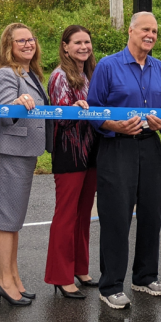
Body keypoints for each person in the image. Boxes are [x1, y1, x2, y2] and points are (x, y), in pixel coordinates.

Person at [87, 12, 161, 310]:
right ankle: (110, 285)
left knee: (152, 215)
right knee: (116, 217)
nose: (150, 35)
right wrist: (114, 126)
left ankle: (144, 277)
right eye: (145, 30)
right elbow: (94, 111)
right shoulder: (108, 65)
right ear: (131, 31)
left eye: (155, 30)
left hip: (150, 148)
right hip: (117, 149)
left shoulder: (159, 68)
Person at [0, 23, 51, 307]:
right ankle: (4, 281)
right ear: (8, 45)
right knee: (6, 222)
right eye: (20, 40)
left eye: (31, 39)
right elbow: (3, 113)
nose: (27, 44)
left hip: (25, 153)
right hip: (9, 154)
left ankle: (14, 277)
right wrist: (16, 101)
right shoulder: (4, 73)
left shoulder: (31, 73)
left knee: (14, 223)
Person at [44, 25, 99, 298]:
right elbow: (61, 117)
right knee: (66, 215)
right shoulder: (59, 76)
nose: (83, 47)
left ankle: (80, 266)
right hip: (69, 152)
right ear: (65, 46)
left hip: (91, 151)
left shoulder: (90, 72)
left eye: (87, 42)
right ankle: (61, 276)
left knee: (84, 213)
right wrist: (73, 109)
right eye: (77, 42)